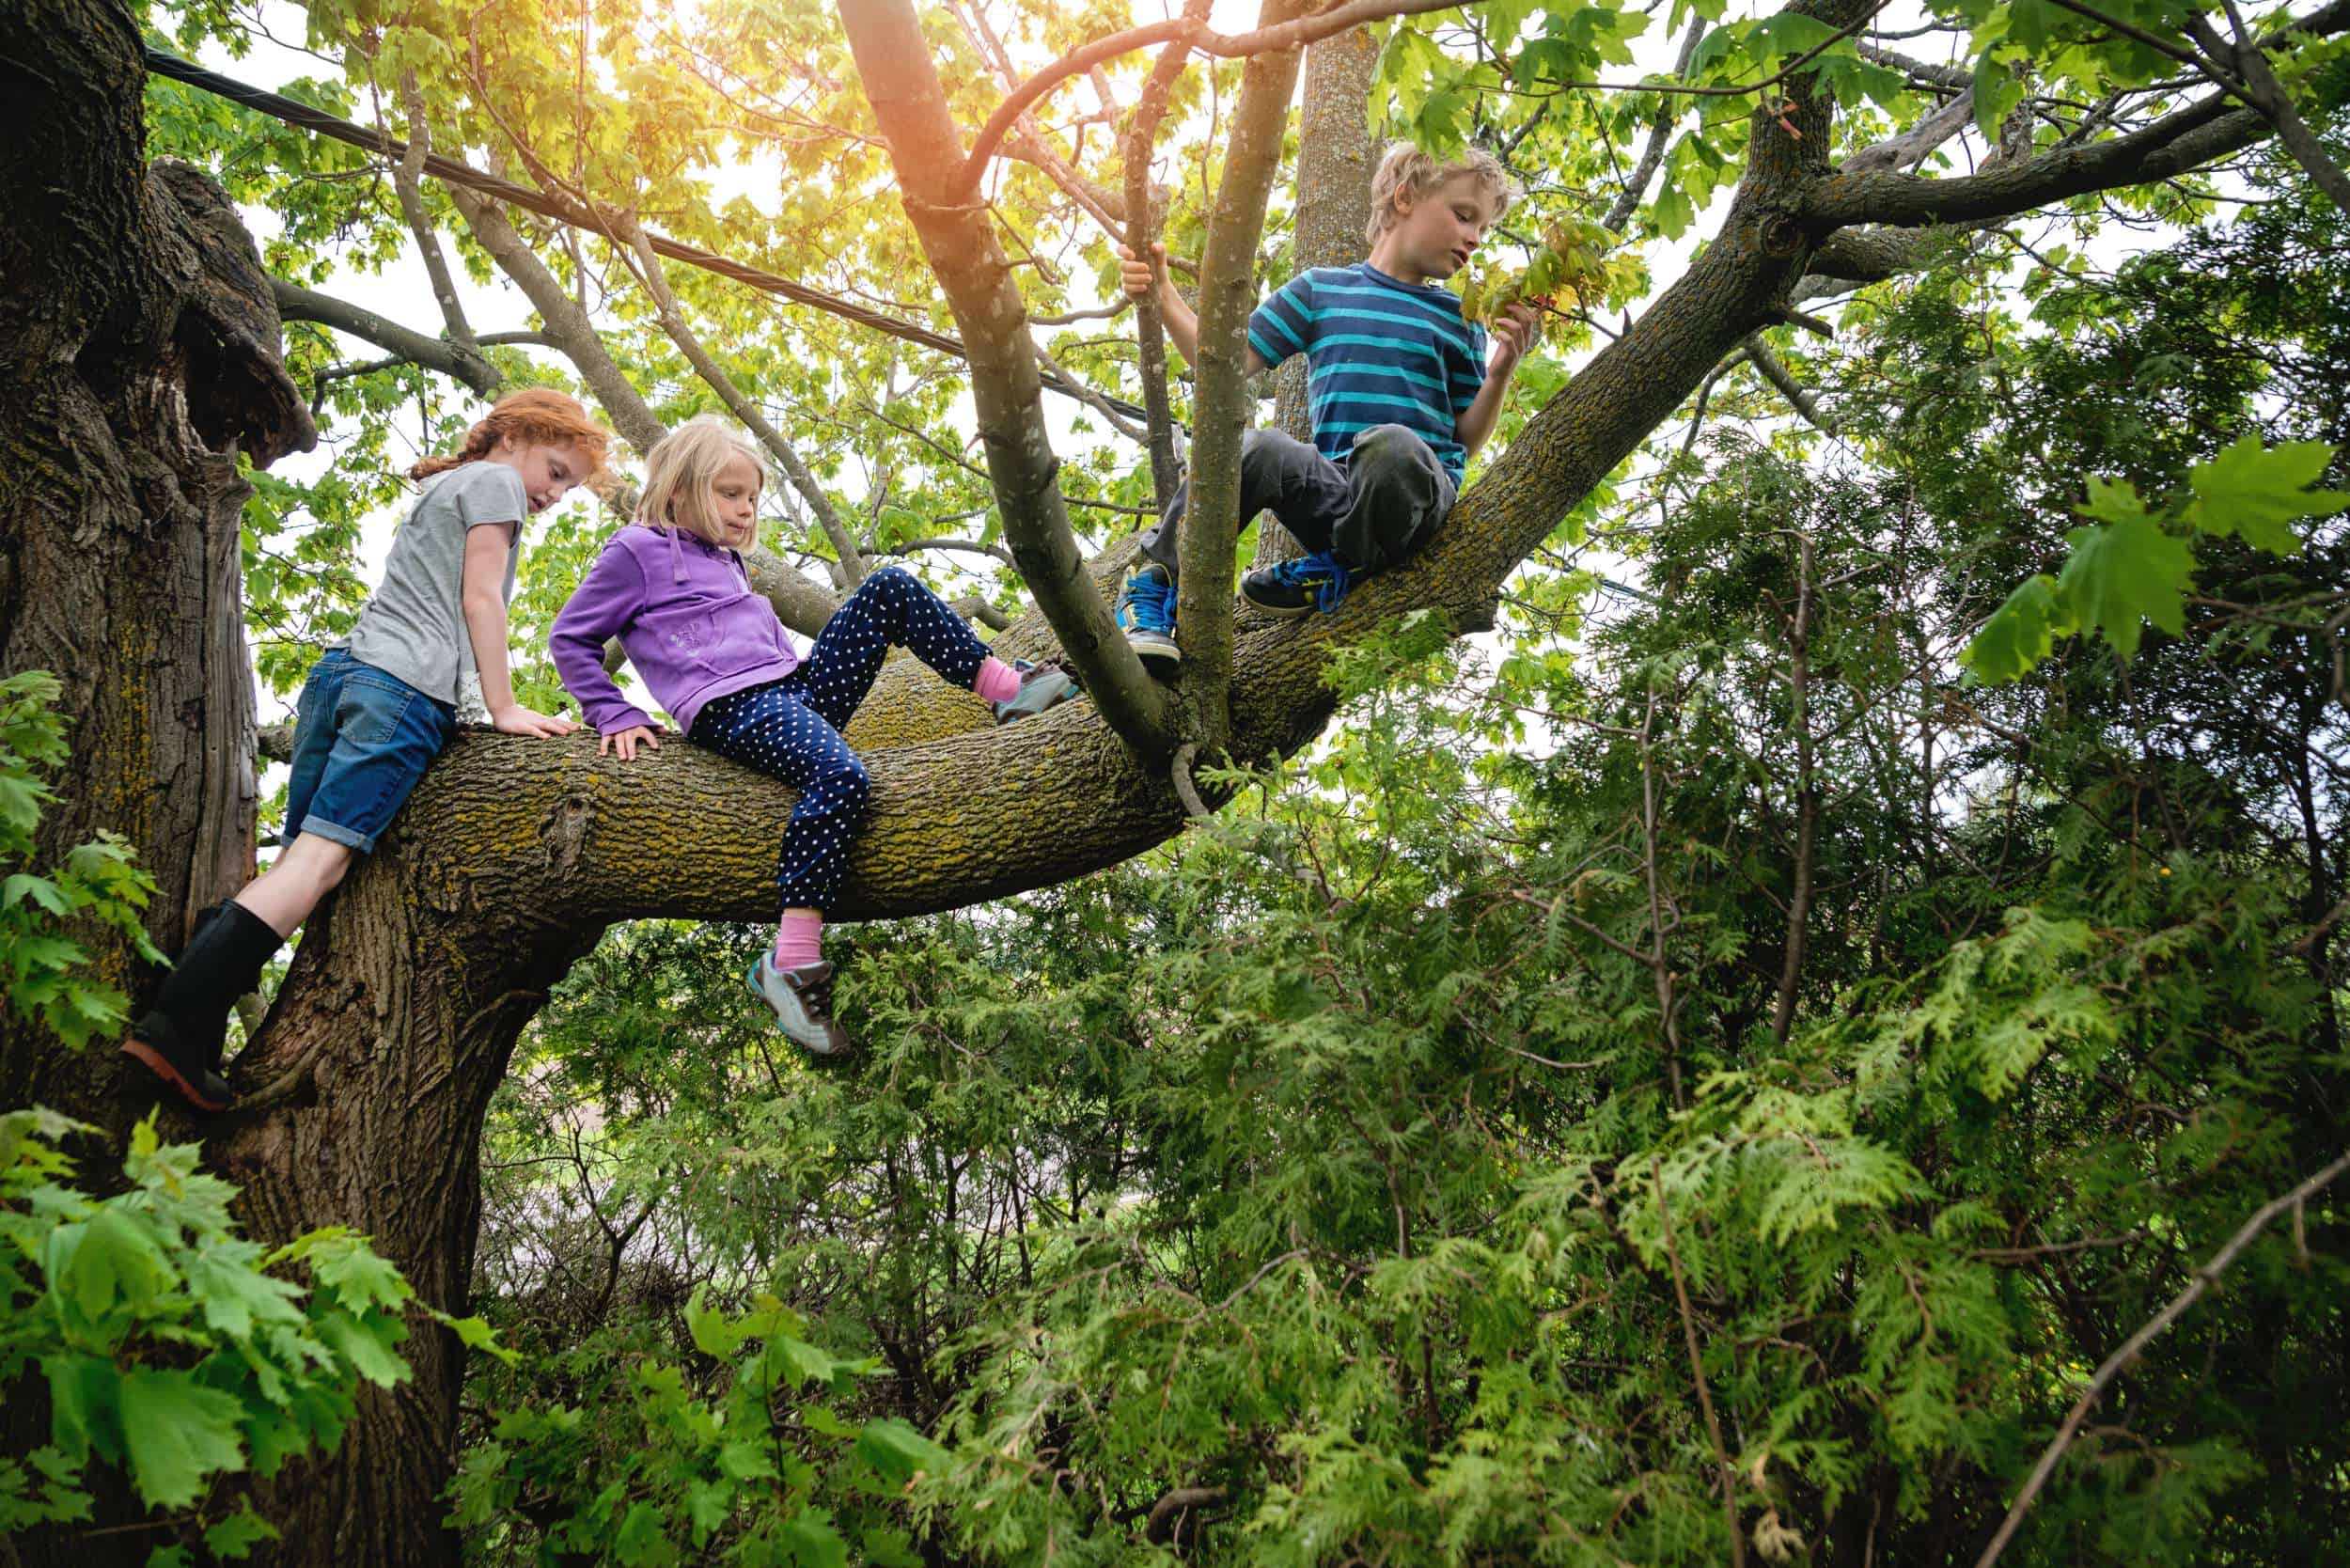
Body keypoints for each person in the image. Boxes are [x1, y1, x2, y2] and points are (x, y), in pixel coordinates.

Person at [122, 388, 607, 1111]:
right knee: (321, 865)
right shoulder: (498, 483)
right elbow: (482, 600)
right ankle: (177, 1025)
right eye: (558, 471)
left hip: (342, 675)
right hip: (401, 691)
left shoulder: (445, 484)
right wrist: (499, 708)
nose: (557, 494)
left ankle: (193, 981)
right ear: (516, 437)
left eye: (569, 486)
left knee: (294, 866)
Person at [549, 416, 1078, 1057]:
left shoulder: (727, 562)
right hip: (731, 708)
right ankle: (791, 964)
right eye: (731, 494)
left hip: (791, 690)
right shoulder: (636, 549)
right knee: (842, 776)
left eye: (751, 497)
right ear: (683, 488)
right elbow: (570, 637)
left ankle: (1006, 689)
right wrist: (613, 711)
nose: (746, 510)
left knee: (888, 587)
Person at [1112, 142, 1543, 667]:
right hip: (1337, 499)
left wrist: (1500, 372)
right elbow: (1220, 365)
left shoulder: (1459, 318)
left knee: (1392, 448)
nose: (1474, 238)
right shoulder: (1321, 292)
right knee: (1256, 447)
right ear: (1405, 198)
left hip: (1415, 502)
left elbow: (1465, 438)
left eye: (1484, 229)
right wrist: (1161, 293)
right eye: (1464, 216)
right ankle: (1154, 584)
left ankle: (1337, 566)